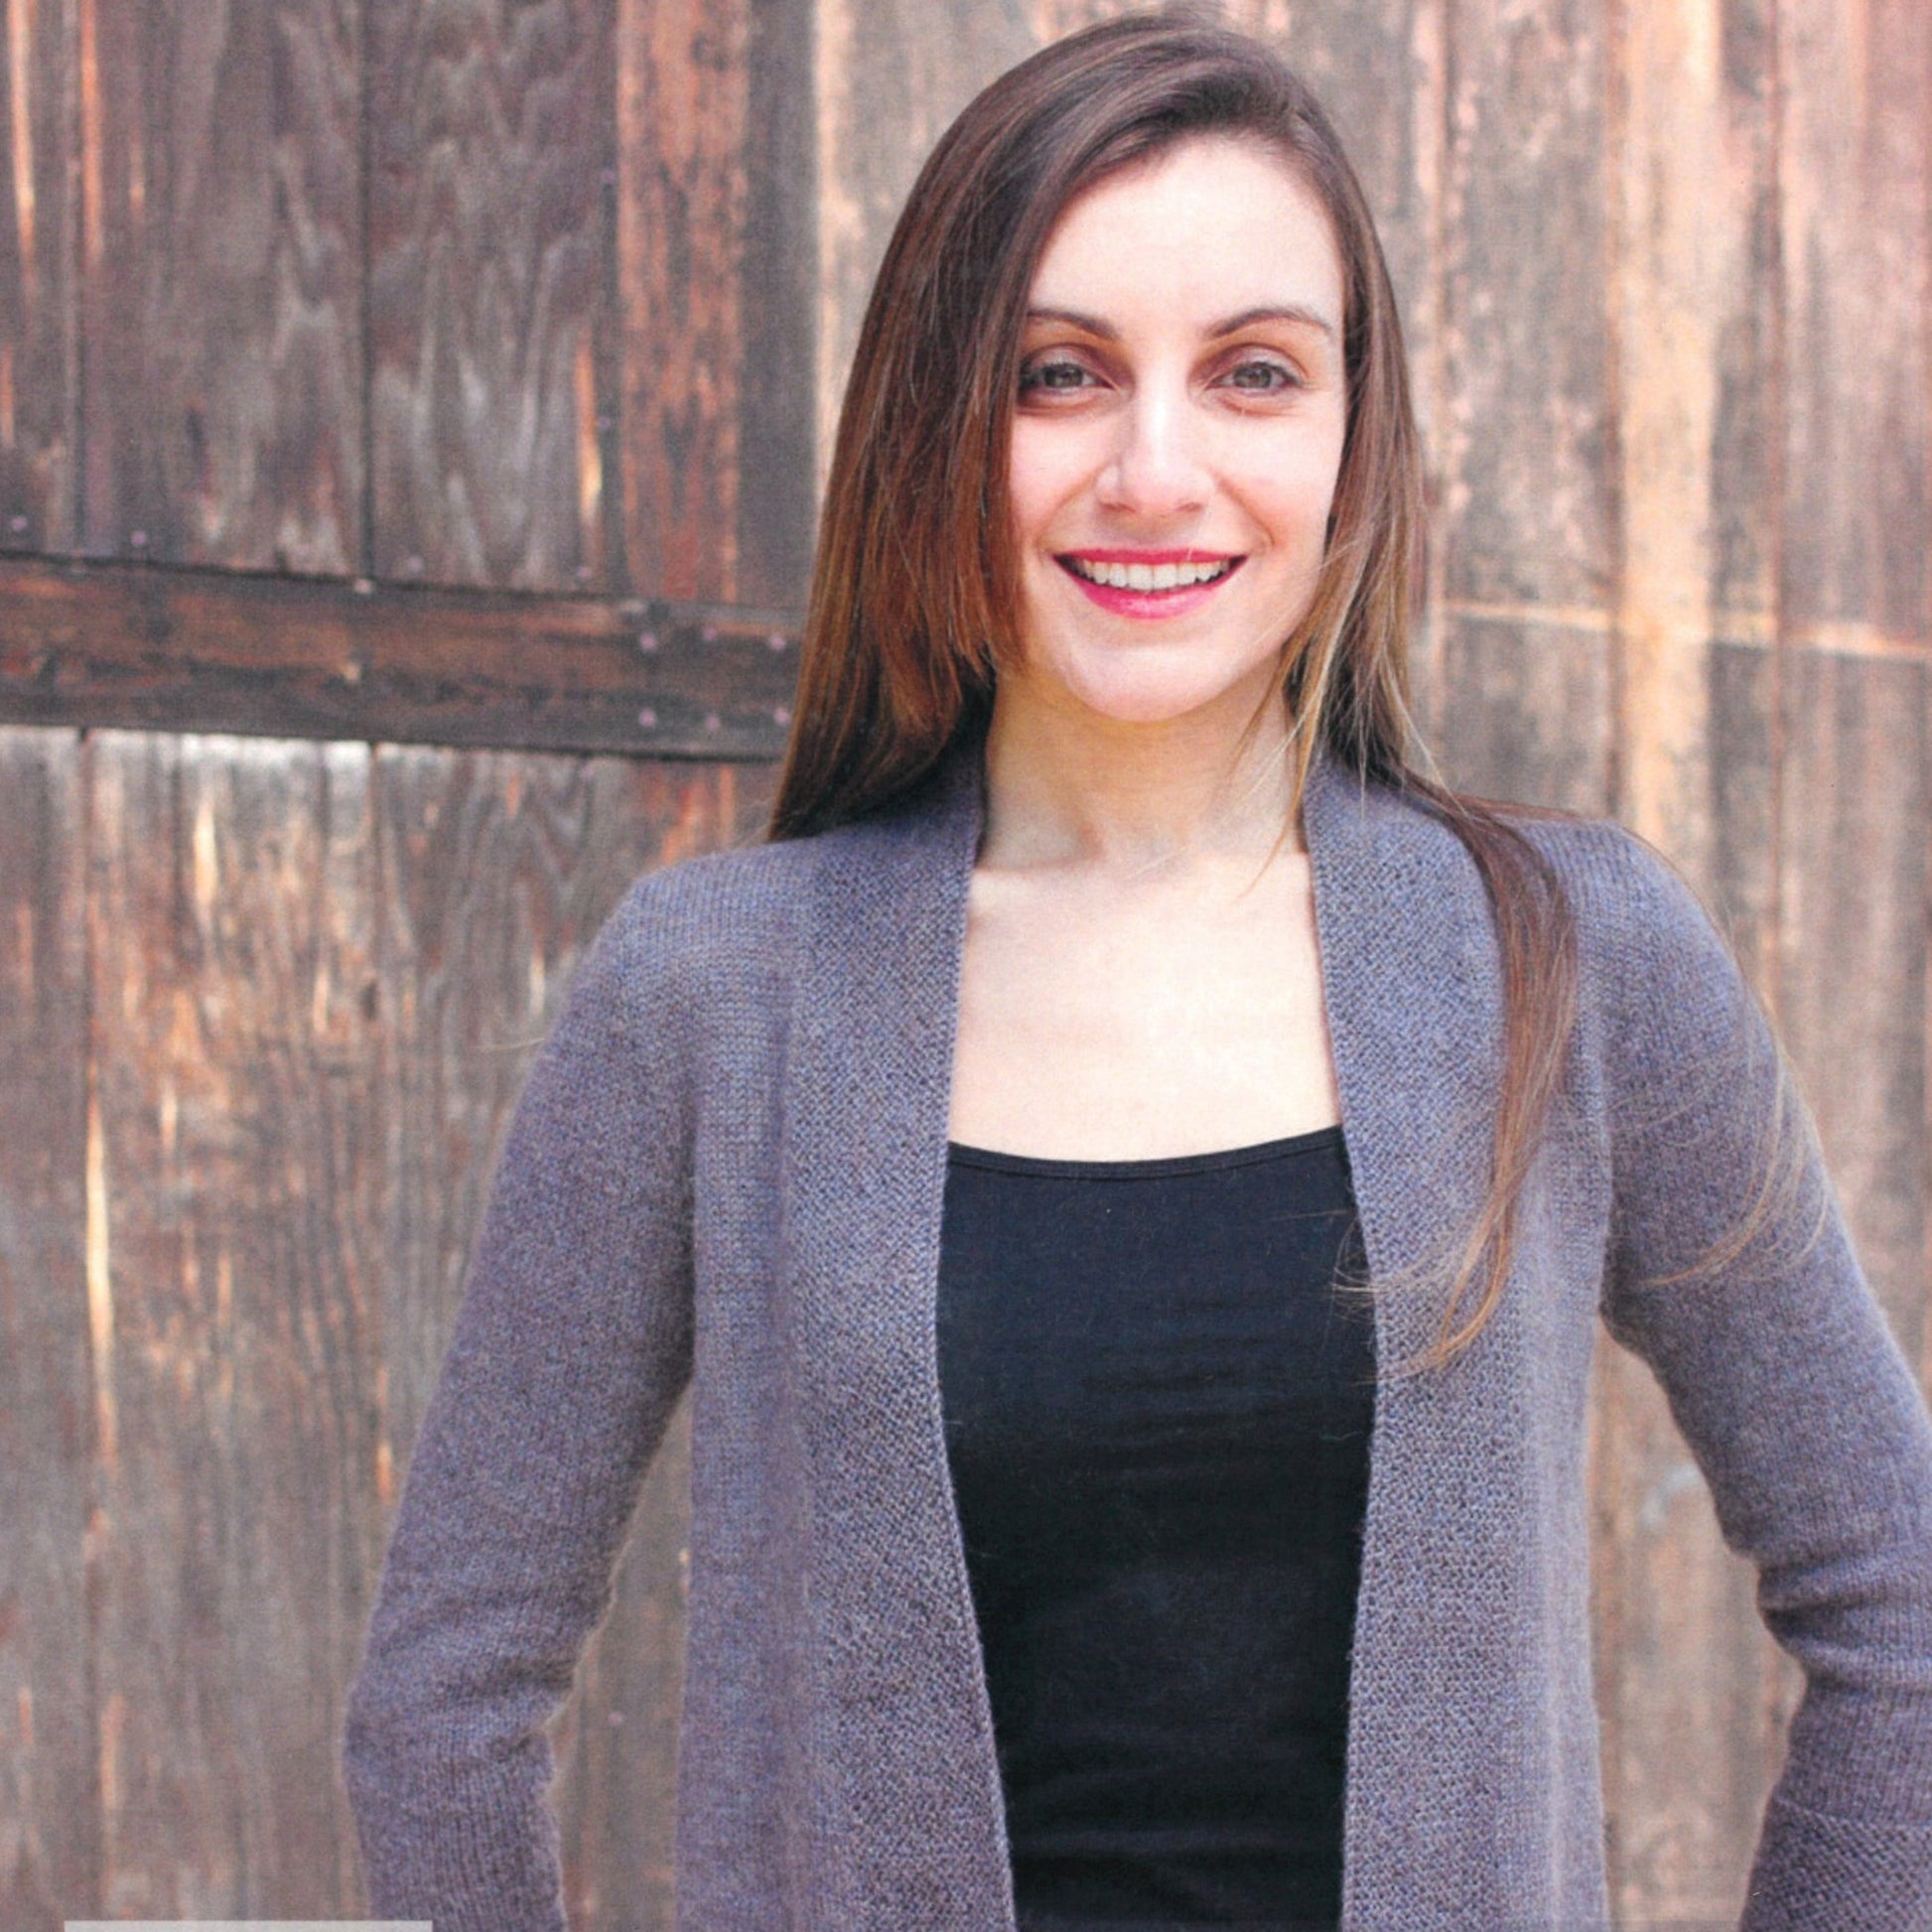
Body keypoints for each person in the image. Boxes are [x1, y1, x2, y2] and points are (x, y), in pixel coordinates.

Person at [342, 13, 1932, 1931]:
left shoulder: (1572, 964)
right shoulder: (710, 992)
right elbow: (448, 1686)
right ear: (940, 418)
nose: (1152, 467)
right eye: (1057, 375)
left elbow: (1897, 1608)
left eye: (1254, 371)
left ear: (1356, 429)